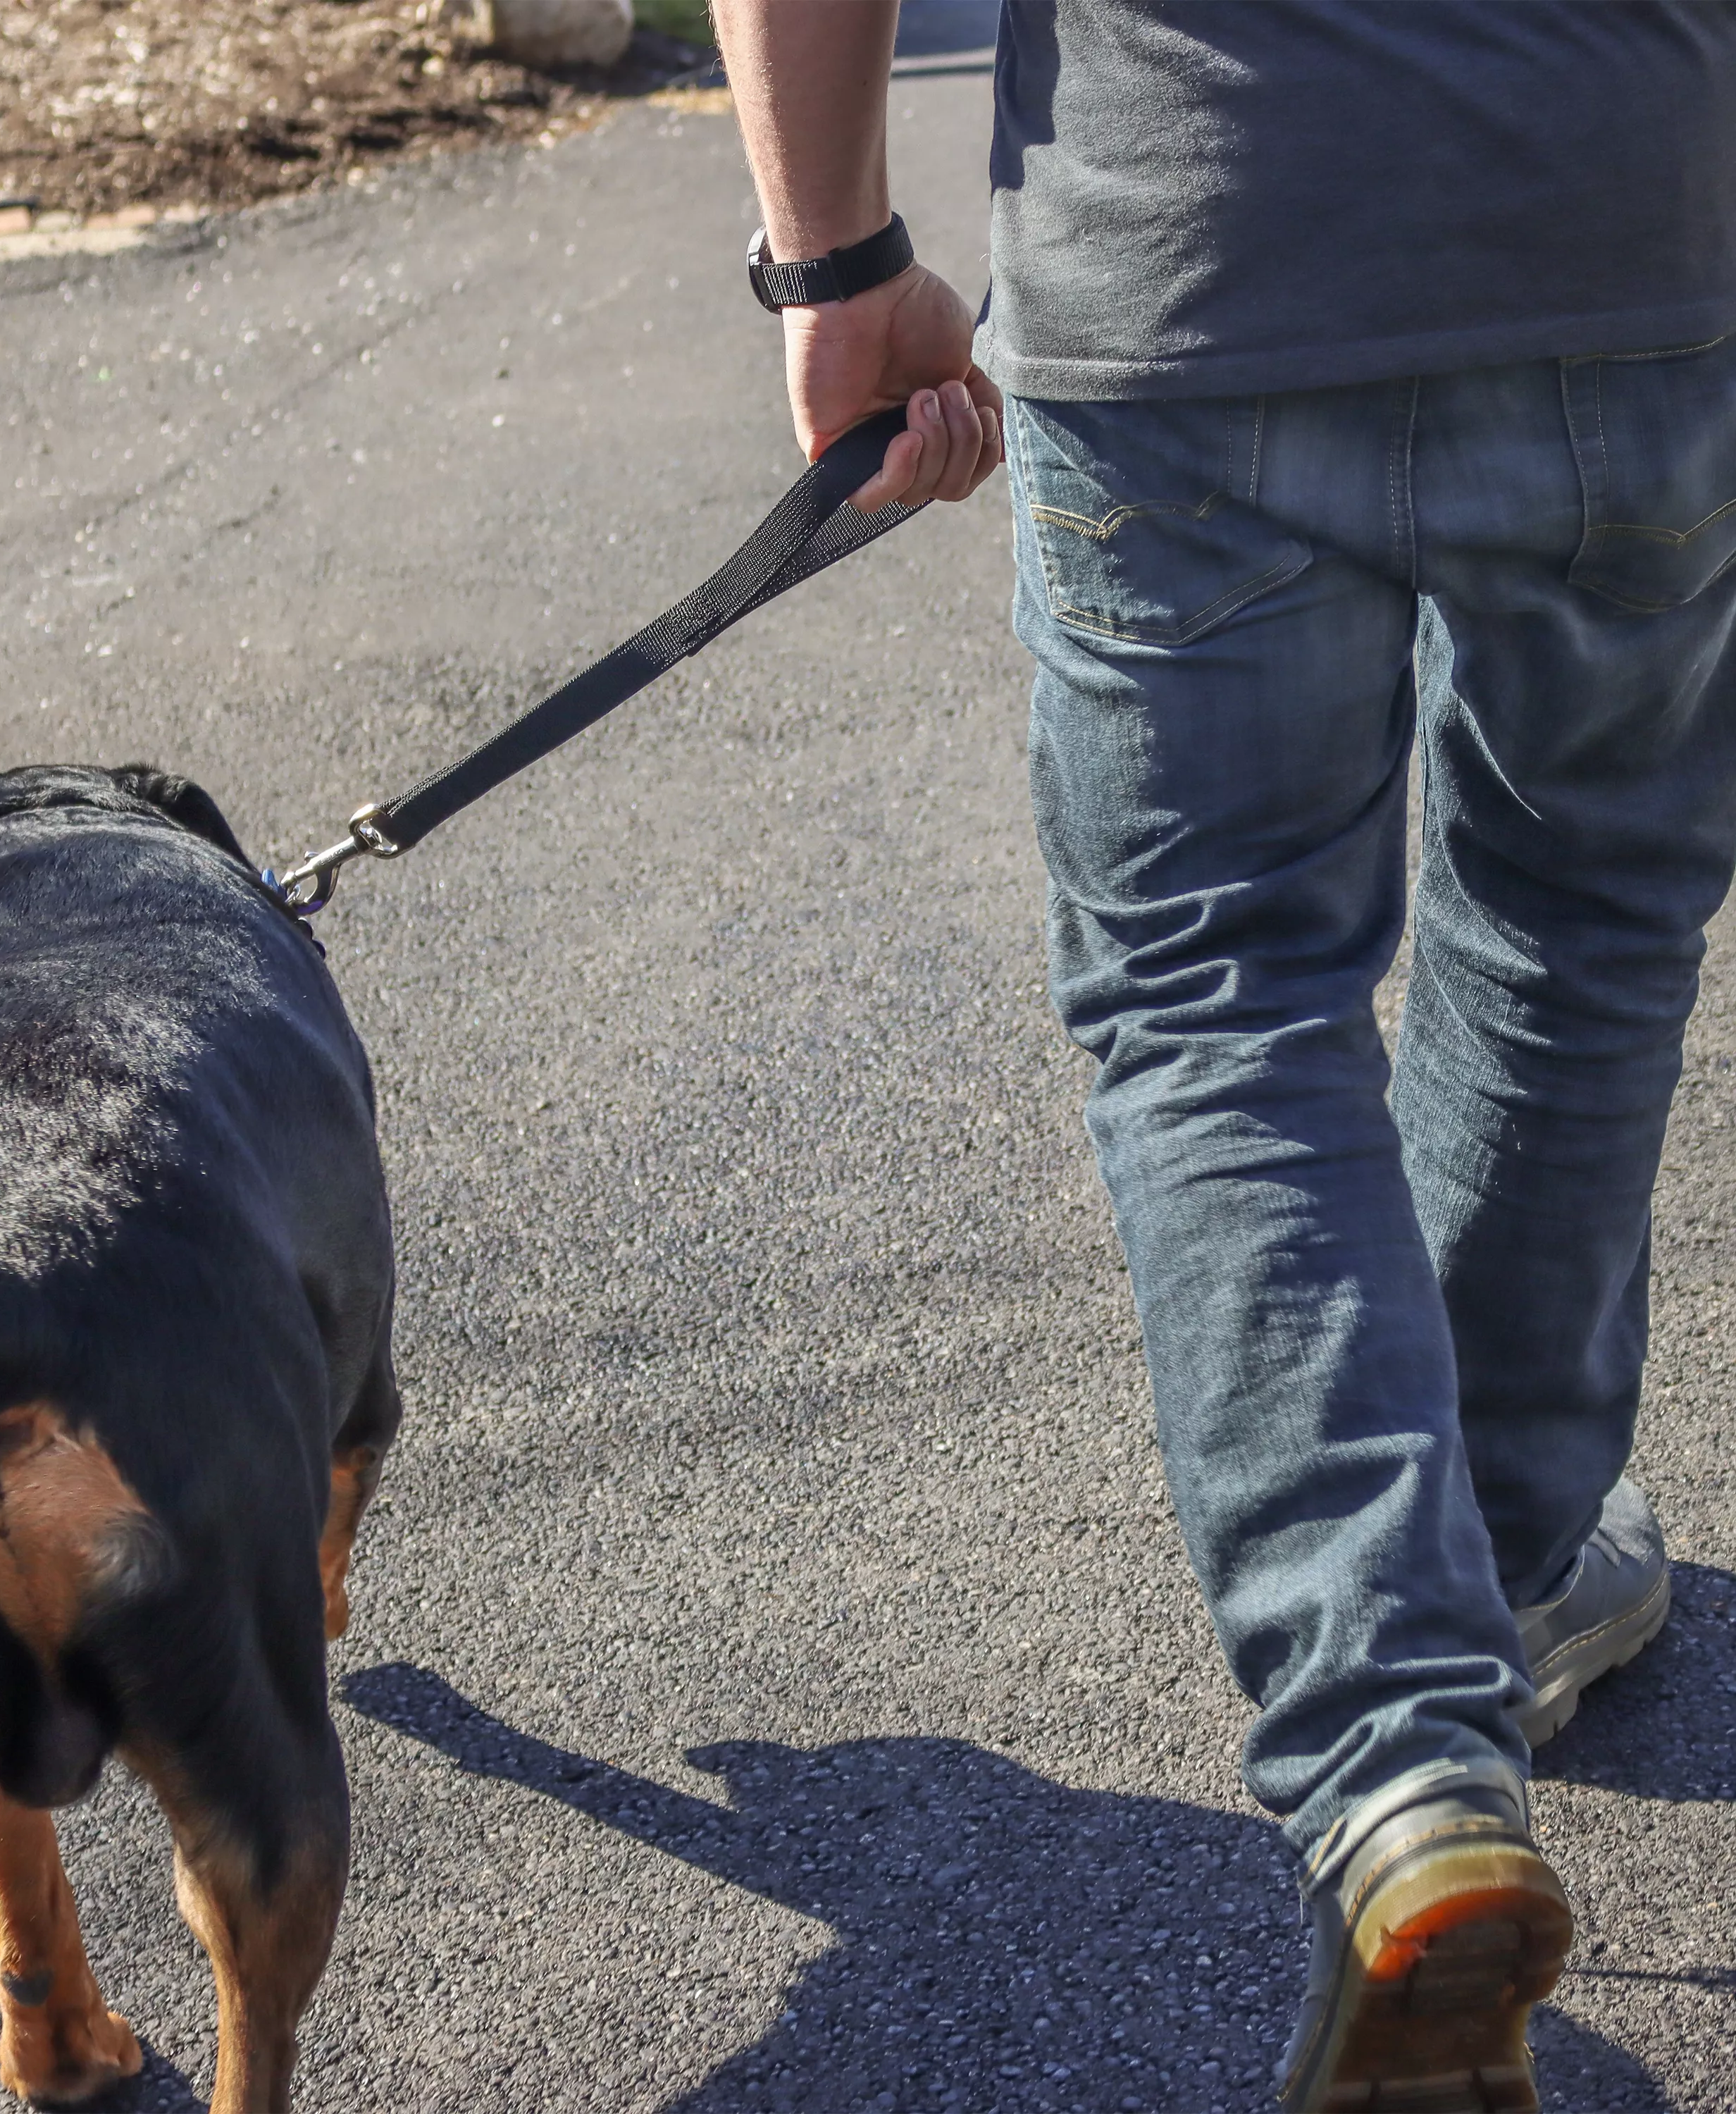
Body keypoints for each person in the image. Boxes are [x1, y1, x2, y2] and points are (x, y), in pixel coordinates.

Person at [708, 2, 1733, 2106]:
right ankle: (1515, 1562)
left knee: (1216, 988)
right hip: (1644, 225)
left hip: (1193, 241)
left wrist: (829, 258)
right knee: (1588, 904)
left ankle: (1398, 1753)